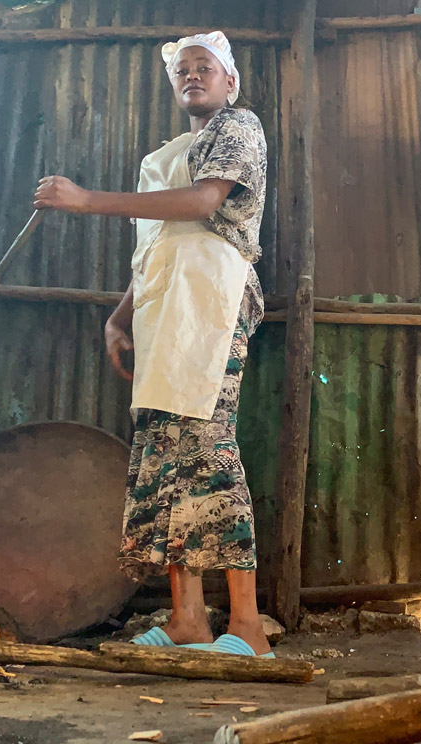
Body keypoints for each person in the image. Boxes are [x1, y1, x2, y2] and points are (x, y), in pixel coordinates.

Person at [33, 31, 271, 657]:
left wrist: (85, 201)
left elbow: (200, 205)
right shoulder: (168, 153)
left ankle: (247, 627)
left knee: (208, 448)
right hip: (168, 311)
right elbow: (155, 251)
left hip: (212, 308)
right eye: (183, 71)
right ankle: (188, 619)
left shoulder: (238, 129)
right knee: (167, 458)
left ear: (230, 82)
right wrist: (119, 316)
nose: (193, 77)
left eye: (205, 68)